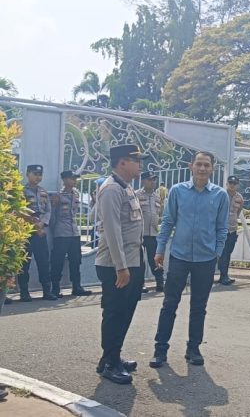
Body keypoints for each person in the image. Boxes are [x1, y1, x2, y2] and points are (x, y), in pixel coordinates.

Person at [150, 151, 229, 368]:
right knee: (169, 303)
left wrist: (217, 252)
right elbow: (168, 221)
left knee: (199, 306)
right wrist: (160, 249)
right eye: (199, 164)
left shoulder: (220, 195)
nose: (202, 168)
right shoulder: (177, 191)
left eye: (206, 165)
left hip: (206, 259)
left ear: (212, 169)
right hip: (179, 256)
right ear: (190, 166)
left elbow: (222, 227)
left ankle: (193, 348)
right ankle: (160, 349)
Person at [94, 145, 145, 384]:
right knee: (115, 312)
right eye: (136, 161)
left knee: (125, 311)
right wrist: (121, 267)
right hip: (116, 265)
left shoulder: (126, 187)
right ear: (122, 162)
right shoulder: (112, 189)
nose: (140, 165)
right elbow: (112, 231)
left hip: (132, 260)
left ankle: (111, 356)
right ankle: (110, 364)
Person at [50, 170, 92, 297]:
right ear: (64, 180)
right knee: (58, 261)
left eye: (75, 179)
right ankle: (55, 288)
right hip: (61, 232)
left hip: (74, 232)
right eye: (72, 178)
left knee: (76, 260)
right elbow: (52, 215)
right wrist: (54, 230)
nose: (74, 181)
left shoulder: (76, 194)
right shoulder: (58, 196)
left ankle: (76, 286)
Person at [19, 164, 57, 301]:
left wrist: (42, 224)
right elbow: (20, 211)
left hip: (40, 232)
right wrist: (35, 227)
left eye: (40, 175)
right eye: (35, 174)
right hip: (26, 233)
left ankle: (47, 291)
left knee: (44, 262)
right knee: (24, 264)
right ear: (27, 174)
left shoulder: (43, 192)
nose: (38, 177)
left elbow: (48, 211)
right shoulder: (21, 192)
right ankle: (24, 292)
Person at [136, 171, 163, 292]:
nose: (153, 182)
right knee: (139, 261)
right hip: (139, 234)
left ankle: (160, 282)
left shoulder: (157, 196)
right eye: (150, 180)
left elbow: (159, 213)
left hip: (153, 234)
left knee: (156, 259)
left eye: (154, 180)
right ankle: (140, 284)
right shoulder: (136, 195)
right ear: (143, 181)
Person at [217, 175, 244, 285]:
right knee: (222, 253)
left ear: (237, 185)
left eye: (234, 183)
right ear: (227, 184)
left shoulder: (239, 198)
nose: (232, 185)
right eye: (230, 183)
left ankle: (224, 275)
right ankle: (223, 276)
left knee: (228, 253)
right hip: (220, 229)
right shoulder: (221, 194)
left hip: (232, 229)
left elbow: (238, 212)